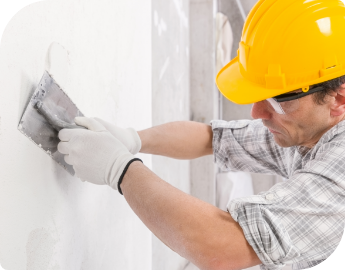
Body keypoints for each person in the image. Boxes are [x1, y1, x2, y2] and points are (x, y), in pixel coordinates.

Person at [57, 0, 345, 269]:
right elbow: (213, 139)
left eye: (277, 100)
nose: (256, 113)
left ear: (338, 99)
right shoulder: (306, 129)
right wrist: (133, 139)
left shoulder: (339, 171)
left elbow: (222, 246)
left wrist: (119, 170)